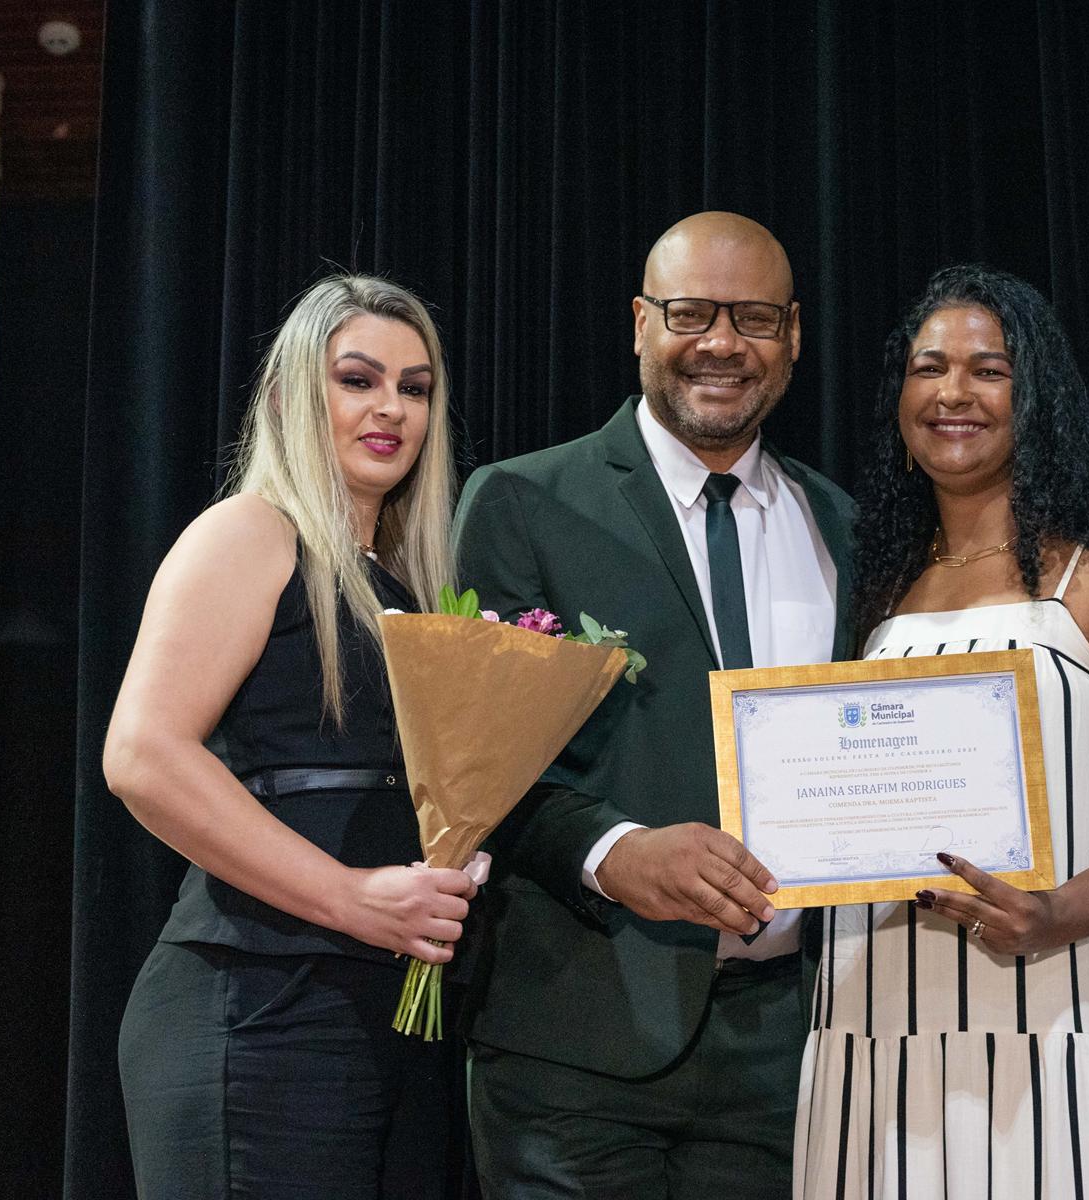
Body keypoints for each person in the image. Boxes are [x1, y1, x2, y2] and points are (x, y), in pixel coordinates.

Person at [453, 211, 855, 1199]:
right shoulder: (522, 501)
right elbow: (472, 768)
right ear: (641, 323)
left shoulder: (843, 525)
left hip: (789, 1046)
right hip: (576, 1045)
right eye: (690, 313)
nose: (721, 342)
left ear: (793, 335)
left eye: (753, 317)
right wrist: (614, 852)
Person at [796, 264, 1089, 1197]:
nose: (953, 392)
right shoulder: (877, 587)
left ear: (1039, 400)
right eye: (929, 368)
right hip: (873, 1029)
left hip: (1063, 1013)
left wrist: (1053, 914)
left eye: (989, 370)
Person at [105, 275, 480, 1199]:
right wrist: (350, 895)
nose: (391, 407)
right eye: (358, 379)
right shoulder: (251, 533)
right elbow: (143, 755)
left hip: (382, 1015)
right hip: (256, 1007)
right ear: (287, 398)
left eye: (415, 387)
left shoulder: (409, 585)